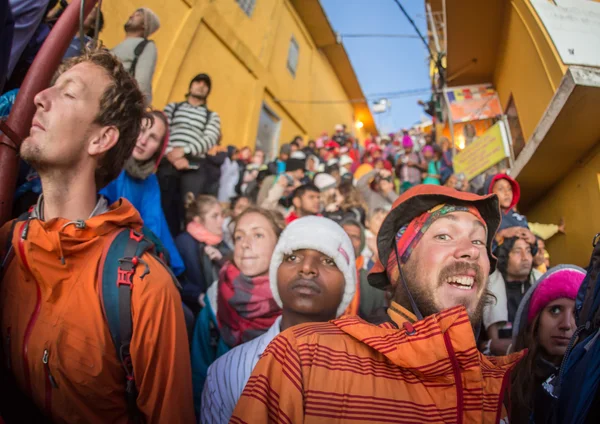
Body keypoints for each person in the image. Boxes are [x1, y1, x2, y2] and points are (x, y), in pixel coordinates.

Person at [0, 49, 193, 422]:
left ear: (101, 139)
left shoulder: (144, 289)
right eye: (51, 88)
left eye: (68, 93)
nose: (40, 97)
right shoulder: (8, 243)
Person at [231, 185, 525, 423]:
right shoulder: (304, 357)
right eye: (444, 235)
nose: (469, 252)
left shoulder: (511, 388)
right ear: (397, 266)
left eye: (478, 241)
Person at [201, 216, 357, 423]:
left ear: (348, 283)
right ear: (276, 271)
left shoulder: (373, 374)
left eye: (329, 260)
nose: (307, 268)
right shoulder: (226, 373)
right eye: (292, 258)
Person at [190, 206, 284, 413]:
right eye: (239, 237)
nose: (245, 245)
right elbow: (199, 376)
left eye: (258, 235)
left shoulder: (295, 304)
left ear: (279, 244)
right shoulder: (215, 301)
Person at [100, 110, 185, 276]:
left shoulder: (150, 181)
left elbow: (153, 224)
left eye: (153, 137)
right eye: (142, 130)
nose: (143, 140)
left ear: (158, 149)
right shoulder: (107, 158)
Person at [510, 265, 586, 424]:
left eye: (577, 313)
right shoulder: (505, 381)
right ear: (535, 321)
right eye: (555, 310)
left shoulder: (590, 387)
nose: (566, 324)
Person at [162, 73, 222, 200]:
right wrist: (172, 155)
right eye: (198, 82)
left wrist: (184, 151)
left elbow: (210, 139)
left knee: (188, 208)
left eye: (205, 85)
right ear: (190, 86)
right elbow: (163, 131)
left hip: (194, 165)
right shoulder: (173, 107)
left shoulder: (212, 116)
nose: (201, 86)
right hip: (168, 160)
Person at [483, 237, 542, 356]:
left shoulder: (542, 282)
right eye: (517, 251)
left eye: (528, 251)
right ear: (504, 256)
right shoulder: (485, 289)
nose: (525, 257)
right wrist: (490, 345)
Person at [176, 194, 231, 314]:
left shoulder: (220, 240)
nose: (221, 220)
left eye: (222, 215)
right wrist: (197, 296)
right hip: (195, 310)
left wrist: (222, 259)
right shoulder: (184, 243)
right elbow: (175, 279)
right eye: (214, 216)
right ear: (198, 220)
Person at [111, 8, 160, 105]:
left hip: (115, 102)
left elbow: (142, 84)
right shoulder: (120, 45)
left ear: (145, 25)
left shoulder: (147, 46)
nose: (131, 16)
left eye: (138, 15)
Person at [340, 217, 386, 319]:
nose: (349, 240)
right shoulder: (323, 272)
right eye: (345, 235)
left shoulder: (370, 282)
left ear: (361, 243)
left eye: (355, 237)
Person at [484, 173, 536, 246]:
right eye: (501, 189)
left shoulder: (518, 218)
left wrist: (534, 241)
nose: (507, 193)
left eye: (509, 188)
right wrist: (501, 235)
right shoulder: (486, 220)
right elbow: (484, 251)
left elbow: (532, 250)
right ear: (490, 193)